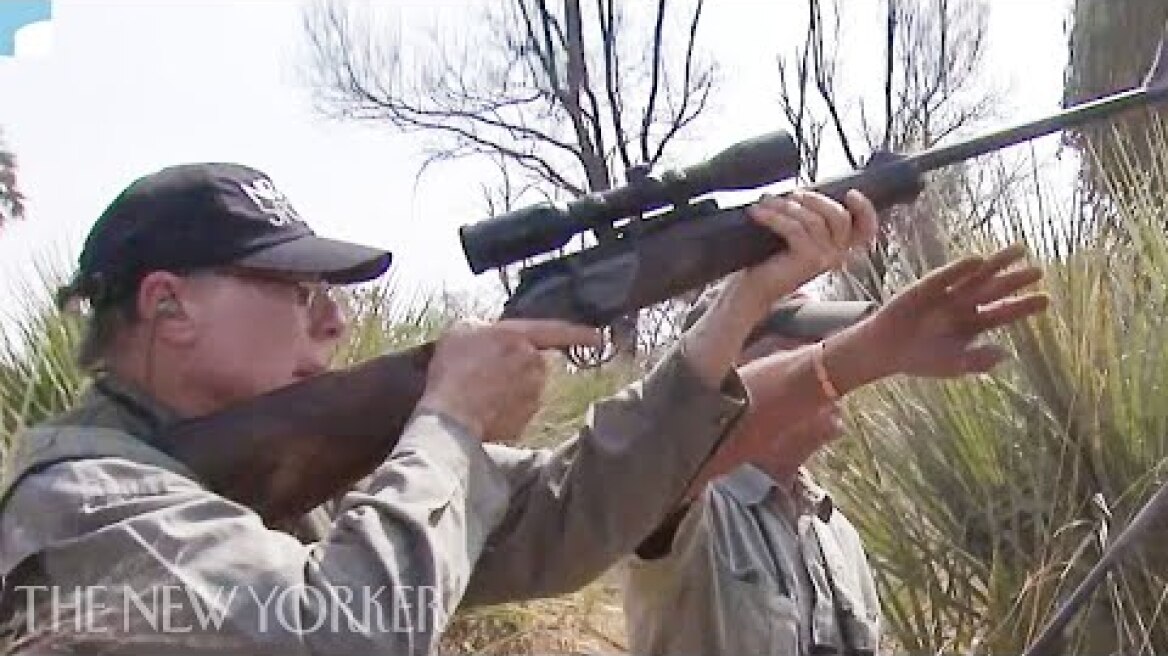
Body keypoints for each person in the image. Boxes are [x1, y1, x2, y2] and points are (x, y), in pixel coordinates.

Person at [0, 162, 881, 655]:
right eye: (297, 290)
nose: (335, 318)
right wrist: (450, 421)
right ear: (167, 306)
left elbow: (559, 516)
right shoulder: (83, 507)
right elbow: (337, 639)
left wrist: (736, 312)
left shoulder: (281, 486)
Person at [623, 245, 1048, 656]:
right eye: (808, 343)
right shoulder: (684, 511)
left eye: (831, 342)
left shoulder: (837, 535)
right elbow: (673, 437)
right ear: (734, 366)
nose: (831, 362)